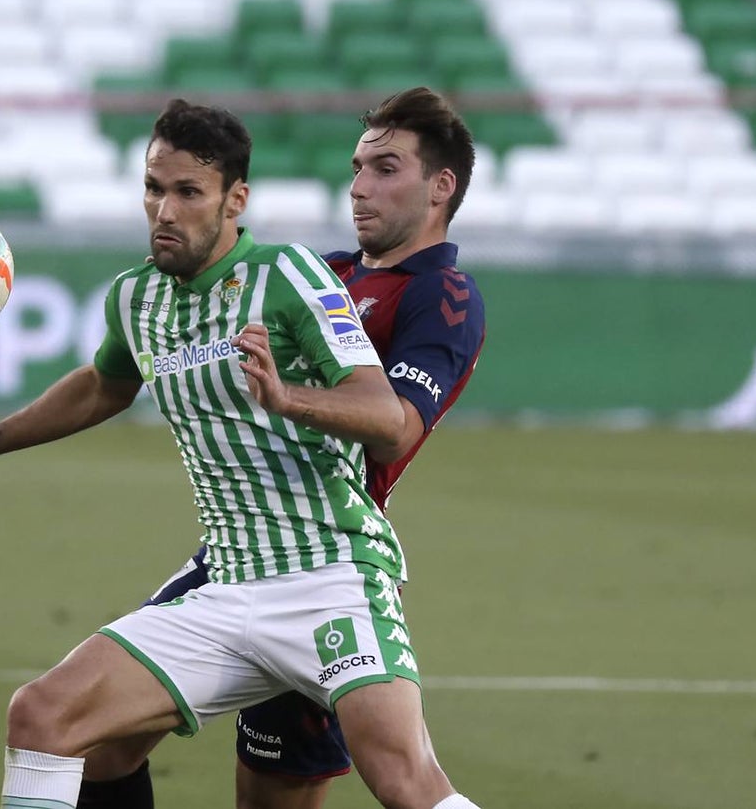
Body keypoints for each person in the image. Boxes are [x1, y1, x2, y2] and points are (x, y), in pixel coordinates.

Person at [0, 97, 482, 809]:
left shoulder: (296, 276)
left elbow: (390, 420)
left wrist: (287, 398)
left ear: (235, 200)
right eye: (153, 189)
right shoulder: (137, 298)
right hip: (226, 578)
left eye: (186, 192)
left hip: (329, 572)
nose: (164, 210)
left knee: (403, 783)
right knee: (44, 717)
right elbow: (103, 384)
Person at [76, 86, 487, 809]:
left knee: (343, 787)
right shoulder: (317, 273)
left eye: (385, 168)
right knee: (99, 735)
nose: (359, 186)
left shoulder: (442, 297)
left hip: (324, 556)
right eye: (358, 166)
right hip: (236, 550)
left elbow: (396, 423)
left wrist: (287, 397)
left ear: (440, 186)